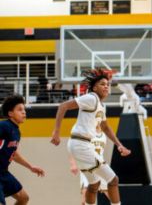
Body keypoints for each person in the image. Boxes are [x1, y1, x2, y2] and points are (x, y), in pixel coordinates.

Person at [51, 68, 131, 205]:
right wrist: (56, 132)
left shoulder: (100, 104)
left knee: (94, 184)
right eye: (102, 84)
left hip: (81, 144)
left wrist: (119, 145)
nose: (106, 86)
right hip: (81, 144)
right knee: (113, 180)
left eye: (108, 84)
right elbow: (63, 106)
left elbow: (105, 127)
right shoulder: (91, 98)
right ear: (94, 87)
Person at [0, 95, 45, 205]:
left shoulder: (17, 132)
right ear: (10, 113)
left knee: (23, 198)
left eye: (24, 109)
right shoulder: (4, 126)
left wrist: (30, 166)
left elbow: (14, 154)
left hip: (3, 172)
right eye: (20, 110)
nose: (24, 112)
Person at [69, 124, 109, 205]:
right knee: (84, 199)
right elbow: (71, 146)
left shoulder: (104, 134)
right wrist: (73, 164)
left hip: (100, 167)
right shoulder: (83, 131)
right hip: (86, 167)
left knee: (111, 195)